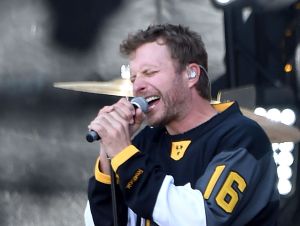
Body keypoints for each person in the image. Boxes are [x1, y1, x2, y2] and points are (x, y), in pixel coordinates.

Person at [85, 24, 279, 226]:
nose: (138, 86)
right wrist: (109, 154)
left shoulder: (242, 137)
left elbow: (200, 219)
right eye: (134, 77)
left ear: (191, 74)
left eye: (149, 72)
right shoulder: (144, 143)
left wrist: (125, 156)